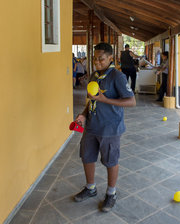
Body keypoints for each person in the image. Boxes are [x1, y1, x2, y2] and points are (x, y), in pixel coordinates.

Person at [74, 42, 136, 212]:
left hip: (110, 128)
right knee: (87, 157)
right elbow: (93, 100)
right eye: (94, 58)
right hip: (92, 126)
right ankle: (90, 188)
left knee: (110, 161)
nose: (96, 62)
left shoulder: (117, 76)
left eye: (100, 59)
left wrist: (105, 100)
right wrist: (83, 115)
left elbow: (131, 101)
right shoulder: (94, 75)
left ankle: (111, 193)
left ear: (110, 58)